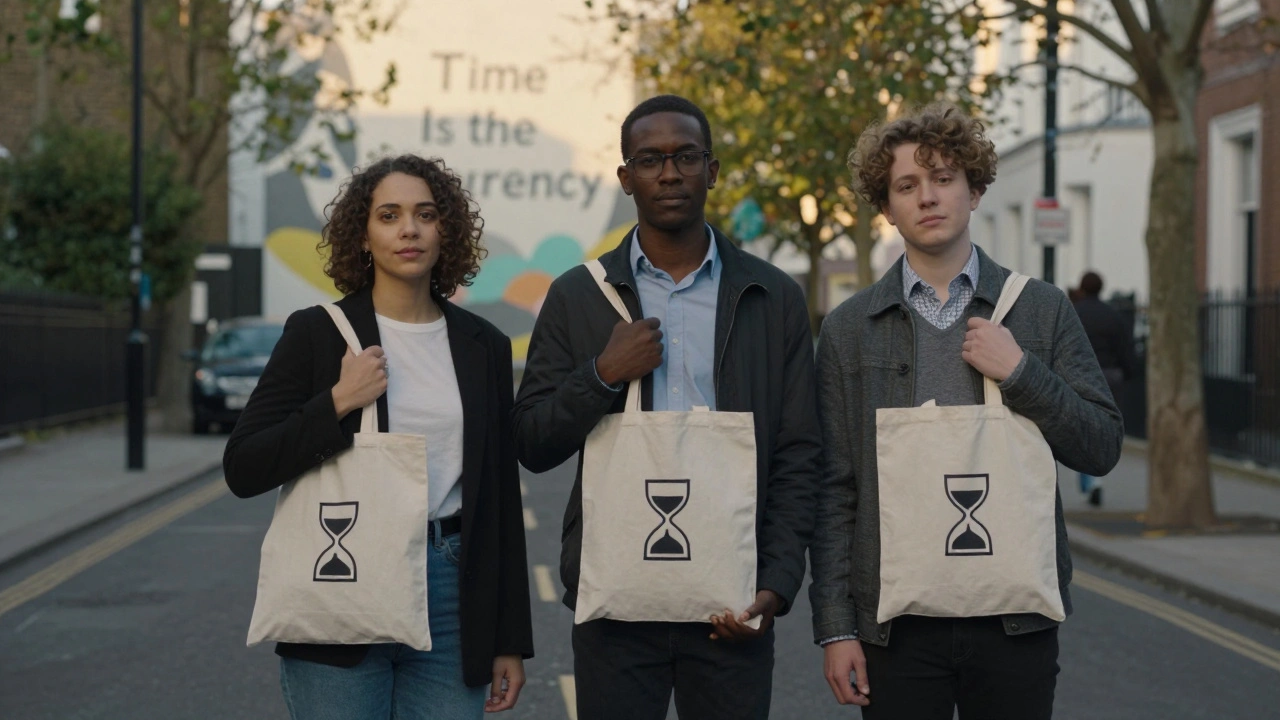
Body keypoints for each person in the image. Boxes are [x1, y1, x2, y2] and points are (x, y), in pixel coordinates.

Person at [809, 104, 1124, 719]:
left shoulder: (1041, 311)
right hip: (896, 626)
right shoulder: (850, 331)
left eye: (944, 178)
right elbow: (835, 490)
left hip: (1013, 620)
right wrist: (836, 628)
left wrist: (1022, 373)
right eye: (906, 185)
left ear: (975, 190)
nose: (928, 197)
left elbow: (1102, 446)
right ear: (885, 206)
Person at [512, 94, 821, 720]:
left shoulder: (772, 296)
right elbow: (532, 441)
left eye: (686, 156)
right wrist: (602, 374)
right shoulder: (577, 296)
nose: (670, 173)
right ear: (626, 178)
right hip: (616, 598)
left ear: (713, 169)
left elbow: (799, 453)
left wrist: (776, 584)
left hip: (731, 599)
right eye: (650, 159)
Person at [223, 155, 533, 719]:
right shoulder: (317, 333)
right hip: (342, 576)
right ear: (363, 236)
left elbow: (498, 496)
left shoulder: (482, 345)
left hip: (450, 591)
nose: (408, 229)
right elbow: (244, 465)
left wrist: (507, 637)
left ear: (448, 232)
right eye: (388, 215)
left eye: (425, 214)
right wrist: (339, 401)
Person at [1073, 270, 1138, 506]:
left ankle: (1090, 481)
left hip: (1080, 376)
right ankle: (1095, 479)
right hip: (1110, 378)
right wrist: (1128, 374)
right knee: (1102, 430)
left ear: (1081, 288)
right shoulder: (1113, 316)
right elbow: (1126, 350)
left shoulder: (1074, 313)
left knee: (1082, 430)